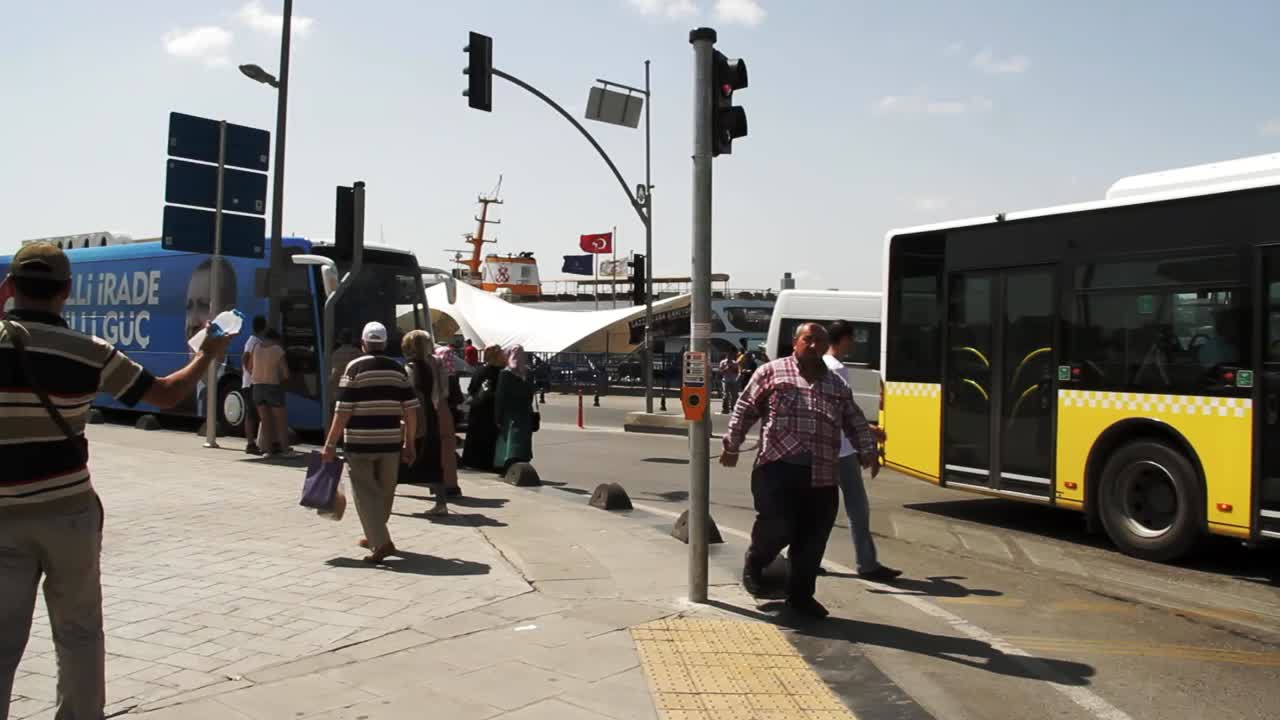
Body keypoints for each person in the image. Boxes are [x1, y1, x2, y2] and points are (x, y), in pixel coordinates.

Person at [0, 243, 232, 719]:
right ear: (66, 291)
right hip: (68, 512)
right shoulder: (90, 352)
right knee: (79, 633)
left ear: (10, 288)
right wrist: (207, 354)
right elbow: (165, 396)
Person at [721, 322, 880, 620]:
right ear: (795, 342)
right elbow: (744, 408)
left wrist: (868, 451)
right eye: (808, 339)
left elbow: (854, 420)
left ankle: (801, 597)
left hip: (821, 475)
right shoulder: (772, 372)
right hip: (777, 469)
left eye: (820, 340)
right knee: (777, 526)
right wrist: (731, 445)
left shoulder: (836, 385)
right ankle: (757, 560)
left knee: (813, 539)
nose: (814, 345)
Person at [321, 321, 418, 564]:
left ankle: (382, 542)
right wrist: (410, 444)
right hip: (390, 442)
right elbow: (411, 411)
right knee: (384, 492)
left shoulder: (354, 368)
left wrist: (330, 444)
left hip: (359, 442)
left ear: (363, 343)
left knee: (365, 494)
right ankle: (375, 533)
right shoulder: (399, 370)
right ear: (384, 343)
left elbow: (342, 410)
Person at [821, 321, 900, 582]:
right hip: (841, 451)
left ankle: (800, 556)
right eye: (852, 338)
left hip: (825, 449)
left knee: (818, 507)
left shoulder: (822, 363)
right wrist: (867, 433)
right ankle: (867, 564)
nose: (854, 343)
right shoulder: (838, 369)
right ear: (842, 339)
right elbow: (842, 410)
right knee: (857, 508)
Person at [401, 330, 459, 515]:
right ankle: (441, 503)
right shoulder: (437, 362)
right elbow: (443, 391)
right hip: (432, 414)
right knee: (433, 458)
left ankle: (384, 500)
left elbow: (406, 395)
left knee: (404, 456)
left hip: (416, 416)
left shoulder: (409, 367)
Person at [461, 345, 505, 471]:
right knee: (486, 436)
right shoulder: (496, 372)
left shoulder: (481, 370)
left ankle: (475, 461)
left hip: (480, 410)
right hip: (487, 409)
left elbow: (471, 389)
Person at [494, 344, 536, 471]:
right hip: (525, 413)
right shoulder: (528, 372)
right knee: (522, 441)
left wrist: (497, 416)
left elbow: (500, 397)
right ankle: (522, 463)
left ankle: (507, 465)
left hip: (510, 414)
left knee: (509, 441)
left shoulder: (505, 373)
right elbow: (531, 394)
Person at [251, 328, 292, 456]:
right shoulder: (277, 350)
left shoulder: (256, 348)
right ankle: (285, 451)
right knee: (280, 421)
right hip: (273, 387)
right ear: (276, 339)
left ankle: (268, 451)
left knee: (265, 421)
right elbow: (285, 374)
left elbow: (250, 367)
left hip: (257, 387)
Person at [241, 315, 268, 455]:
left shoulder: (254, 341)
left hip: (250, 382)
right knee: (252, 413)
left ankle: (253, 443)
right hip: (251, 383)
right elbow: (245, 359)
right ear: (264, 327)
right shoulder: (254, 342)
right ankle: (251, 444)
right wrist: (252, 373)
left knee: (252, 413)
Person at [328, 329, 362, 415]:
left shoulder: (335, 353)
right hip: (353, 391)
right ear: (352, 340)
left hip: (338, 391)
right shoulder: (358, 353)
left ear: (340, 340)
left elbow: (332, 374)